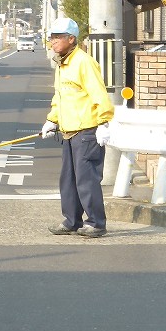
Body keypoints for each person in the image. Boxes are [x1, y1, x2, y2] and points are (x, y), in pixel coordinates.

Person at [41, 17, 114, 238]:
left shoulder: (84, 62)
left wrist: (104, 122)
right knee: (69, 180)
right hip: (69, 132)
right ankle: (72, 221)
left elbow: (99, 94)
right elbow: (60, 97)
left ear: (71, 39)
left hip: (87, 131)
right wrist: (52, 120)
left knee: (86, 180)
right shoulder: (62, 64)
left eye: (57, 37)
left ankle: (96, 223)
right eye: (51, 37)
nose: (53, 41)